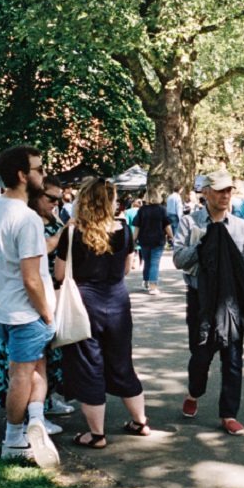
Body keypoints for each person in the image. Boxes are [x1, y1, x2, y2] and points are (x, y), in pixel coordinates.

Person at [0, 144, 59, 467]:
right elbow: (32, 279)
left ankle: (36, 419)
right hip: (25, 311)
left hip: (0, 308)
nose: (43, 174)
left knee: (36, 368)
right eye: (38, 169)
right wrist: (47, 314)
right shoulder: (27, 219)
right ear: (22, 175)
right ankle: (13, 439)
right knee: (21, 376)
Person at [55, 178, 149, 448]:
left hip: (84, 306)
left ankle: (96, 435)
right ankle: (140, 421)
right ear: (110, 201)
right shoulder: (125, 229)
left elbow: (60, 274)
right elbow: (127, 269)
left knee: (88, 367)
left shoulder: (72, 233)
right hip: (118, 303)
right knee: (122, 363)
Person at [173, 170, 244, 436]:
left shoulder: (241, 226)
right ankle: (194, 392)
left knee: (233, 358)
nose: (225, 195)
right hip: (200, 299)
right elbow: (178, 260)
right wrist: (203, 245)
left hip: (231, 301)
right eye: (219, 190)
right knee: (201, 355)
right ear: (205, 192)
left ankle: (229, 414)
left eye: (229, 190)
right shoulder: (190, 223)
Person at [132, 190, 171, 295]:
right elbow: (167, 225)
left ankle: (145, 282)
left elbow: (137, 226)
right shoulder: (162, 210)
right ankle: (153, 286)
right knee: (155, 262)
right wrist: (173, 237)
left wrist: (133, 239)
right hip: (158, 240)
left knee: (147, 262)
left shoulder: (142, 210)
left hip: (144, 239)